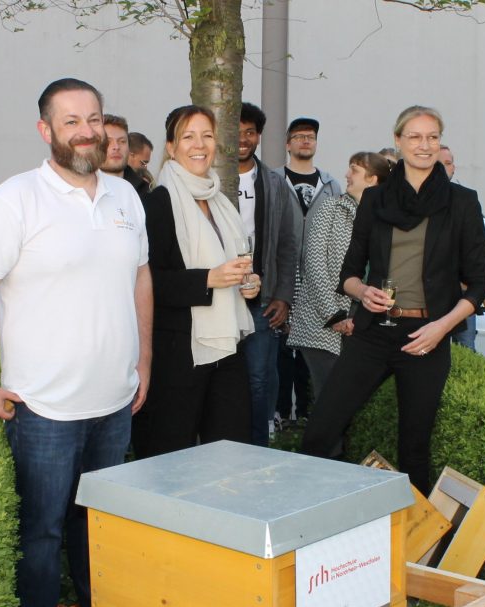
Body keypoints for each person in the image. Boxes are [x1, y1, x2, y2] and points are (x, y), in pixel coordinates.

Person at [0, 78, 152, 607]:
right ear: (46, 130)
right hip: (43, 410)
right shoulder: (13, 199)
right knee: (40, 535)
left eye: (94, 119)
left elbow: (140, 279)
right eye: (71, 122)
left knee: (97, 527)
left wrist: (144, 362)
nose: (86, 132)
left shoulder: (126, 196)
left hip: (114, 404)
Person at [301, 106, 485, 494]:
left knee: (414, 450)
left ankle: (412, 547)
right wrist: (362, 291)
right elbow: (349, 274)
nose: (425, 145)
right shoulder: (375, 199)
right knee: (319, 432)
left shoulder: (462, 202)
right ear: (399, 141)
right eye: (416, 137)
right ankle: (320, 524)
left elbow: (477, 284)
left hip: (428, 337)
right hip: (374, 334)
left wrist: (441, 328)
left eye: (432, 137)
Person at [131, 104, 261, 459]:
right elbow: (146, 282)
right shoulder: (156, 203)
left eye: (206, 135)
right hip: (178, 353)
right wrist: (209, 279)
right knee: (169, 458)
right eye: (188, 136)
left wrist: (247, 283)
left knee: (231, 455)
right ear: (171, 147)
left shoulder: (220, 202)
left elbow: (235, 266)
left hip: (227, 347)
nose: (199, 144)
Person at [288, 152, 391, 400]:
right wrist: (333, 315)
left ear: (372, 179)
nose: (346, 175)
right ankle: (325, 441)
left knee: (353, 400)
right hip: (322, 322)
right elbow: (313, 263)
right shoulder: (330, 207)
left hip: (364, 320)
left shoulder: (386, 218)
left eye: (354, 170)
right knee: (330, 398)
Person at [237, 102, 299, 445]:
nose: (244, 139)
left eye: (250, 132)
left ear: (259, 136)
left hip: (261, 299)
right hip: (217, 295)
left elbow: (288, 245)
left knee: (260, 377)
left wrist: (283, 296)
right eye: (238, 131)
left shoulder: (274, 184)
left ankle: (257, 447)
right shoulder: (212, 178)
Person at [274, 117, 342, 422]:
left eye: (310, 136)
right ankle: (280, 412)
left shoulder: (330, 184)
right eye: (299, 136)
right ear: (288, 144)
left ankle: (305, 413)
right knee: (280, 346)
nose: (305, 141)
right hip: (284, 272)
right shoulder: (274, 179)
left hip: (319, 276)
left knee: (310, 345)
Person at [439, 145, 477, 351]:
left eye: (448, 163)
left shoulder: (467, 200)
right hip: (434, 292)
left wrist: (466, 281)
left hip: (462, 292)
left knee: (466, 346)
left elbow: (476, 247)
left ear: (454, 167)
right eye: (439, 164)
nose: (444, 168)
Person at [101, 114, 150, 198]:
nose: (116, 147)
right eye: (108, 141)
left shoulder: (145, 194)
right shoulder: (80, 193)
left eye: (122, 141)